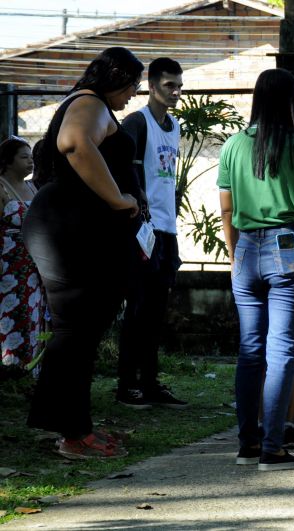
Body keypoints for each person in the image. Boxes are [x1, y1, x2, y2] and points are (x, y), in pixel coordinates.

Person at [23, 47, 143, 459]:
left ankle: (74, 427)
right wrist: (118, 199)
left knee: (82, 332)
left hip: (77, 230)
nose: (132, 94)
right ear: (115, 79)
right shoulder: (89, 102)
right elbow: (74, 143)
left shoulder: (93, 105)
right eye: (131, 85)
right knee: (76, 331)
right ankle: (73, 435)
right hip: (67, 230)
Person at [219, 68, 294, 471]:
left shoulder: (232, 145)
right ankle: (273, 447)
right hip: (289, 246)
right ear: (290, 101)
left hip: (246, 249)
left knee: (251, 352)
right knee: (282, 350)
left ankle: (248, 445)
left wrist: (236, 254)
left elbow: (227, 210)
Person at [116, 57, 187, 409]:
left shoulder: (173, 126)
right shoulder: (136, 122)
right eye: (169, 85)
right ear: (152, 85)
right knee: (138, 309)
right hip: (142, 228)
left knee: (157, 312)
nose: (175, 92)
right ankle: (127, 384)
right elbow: (124, 173)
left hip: (167, 229)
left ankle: (150, 382)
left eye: (179, 86)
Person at [0, 136, 45, 371]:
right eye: (24, 157)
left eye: (31, 157)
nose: (30, 162)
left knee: (31, 314)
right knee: (10, 313)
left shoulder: (32, 187)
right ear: (8, 161)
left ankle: (29, 370)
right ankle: (8, 369)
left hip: (34, 265)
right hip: (7, 267)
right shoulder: (0, 187)